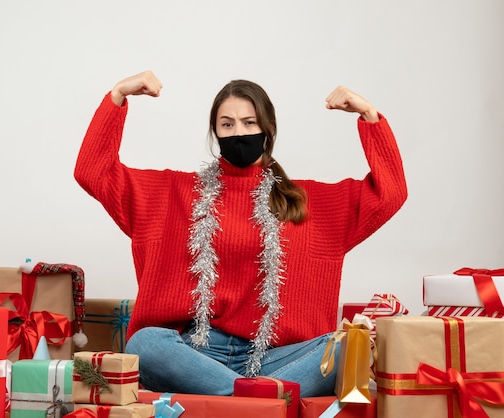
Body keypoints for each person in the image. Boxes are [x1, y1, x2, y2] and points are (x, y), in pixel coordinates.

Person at [74, 70, 407, 397]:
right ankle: (257, 402)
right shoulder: (169, 194)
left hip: (278, 358)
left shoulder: (310, 202)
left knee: (348, 347)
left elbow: (390, 193)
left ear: (268, 129)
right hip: (198, 353)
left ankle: (242, 400)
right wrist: (118, 95)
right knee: (144, 344)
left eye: (249, 123)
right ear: (215, 132)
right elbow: (93, 172)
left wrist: (369, 116)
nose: (238, 132)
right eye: (227, 124)